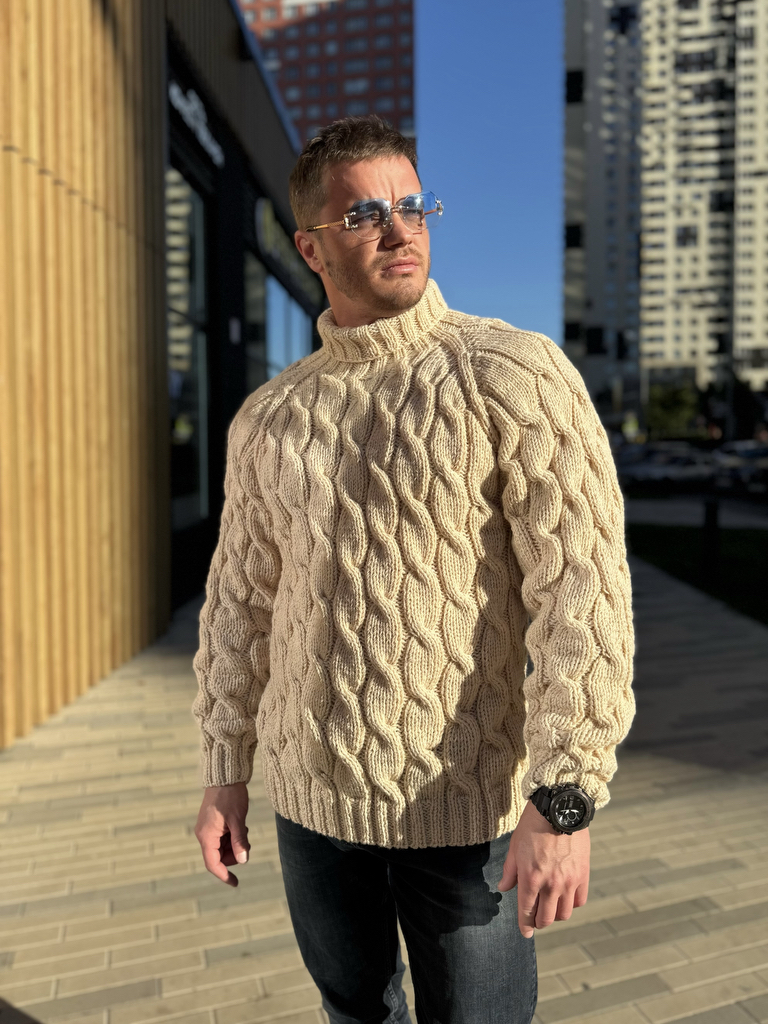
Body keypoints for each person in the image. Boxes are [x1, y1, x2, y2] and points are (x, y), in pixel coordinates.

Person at [192, 115, 636, 1024]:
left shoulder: (513, 373)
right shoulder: (267, 420)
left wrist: (566, 796)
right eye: (364, 215)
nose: (400, 230)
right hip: (310, 807)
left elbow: (583, 596)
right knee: (354, 1012)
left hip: (466, 812)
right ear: (311, 247)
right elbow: (239, 606)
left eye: (413, 206)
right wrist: (224, 769)